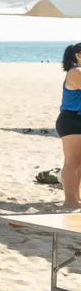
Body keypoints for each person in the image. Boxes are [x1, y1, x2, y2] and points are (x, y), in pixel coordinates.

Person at [59, 43, 81, 209]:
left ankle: (76, 197)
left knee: (79, 163)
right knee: (72, 162)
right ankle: (70, 200)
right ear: (78, 56)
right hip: (72, 120)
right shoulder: (76, 72)